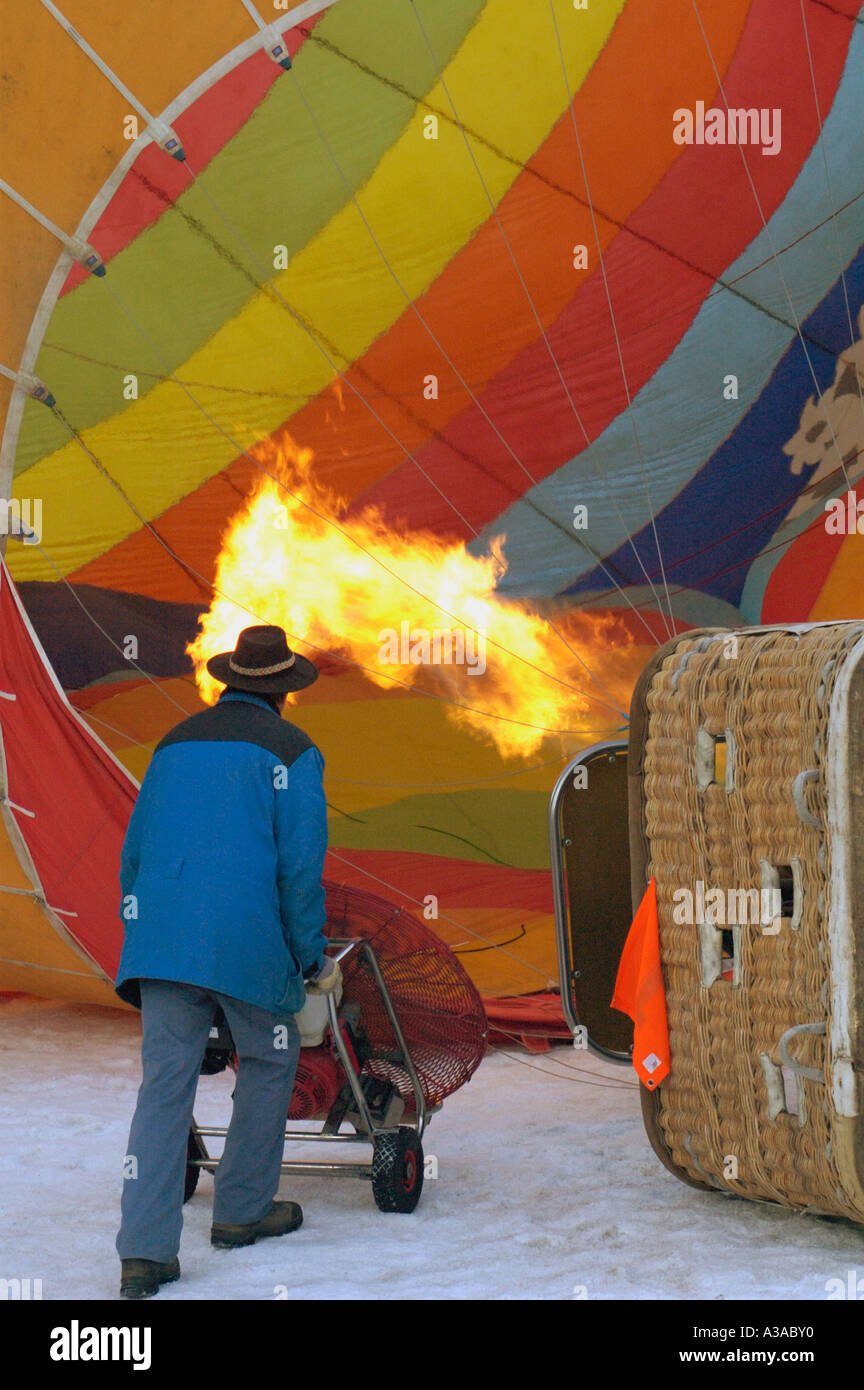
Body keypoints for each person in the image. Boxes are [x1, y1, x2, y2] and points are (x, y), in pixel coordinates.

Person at [114, 624, 338, 1299]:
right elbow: (301, 873)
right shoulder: (294, 752)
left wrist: (146, 926)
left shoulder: (172, 744)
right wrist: (306, 957)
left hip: (160, 937)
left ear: (228, 681)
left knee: (164, 1086)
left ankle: (144, 1256)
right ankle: (241, 1210)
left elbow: (135, 855)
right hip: (243, 938)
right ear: (285, 693)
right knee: (270, 1056)